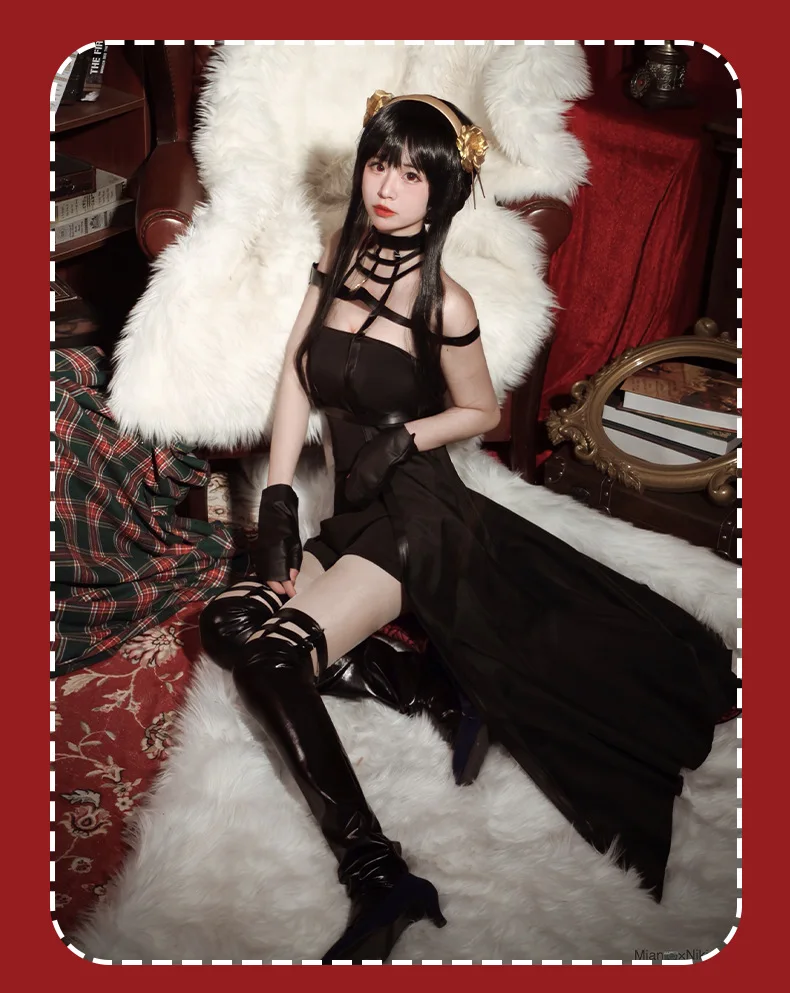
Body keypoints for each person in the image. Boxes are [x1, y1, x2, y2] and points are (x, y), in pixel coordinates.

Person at [199, 90, 737, 964]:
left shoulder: (445, 303)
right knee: (227, 623)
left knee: (272, 657)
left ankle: (380, 874)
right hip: (350, 510)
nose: (388, 187)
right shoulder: (336, 254)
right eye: (381, 163)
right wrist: (280, 502)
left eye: (414, 175)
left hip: (415, 518)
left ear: (444, 191)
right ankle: (433, 692)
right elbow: (298, 376)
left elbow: (481, 408)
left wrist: (407, 435)